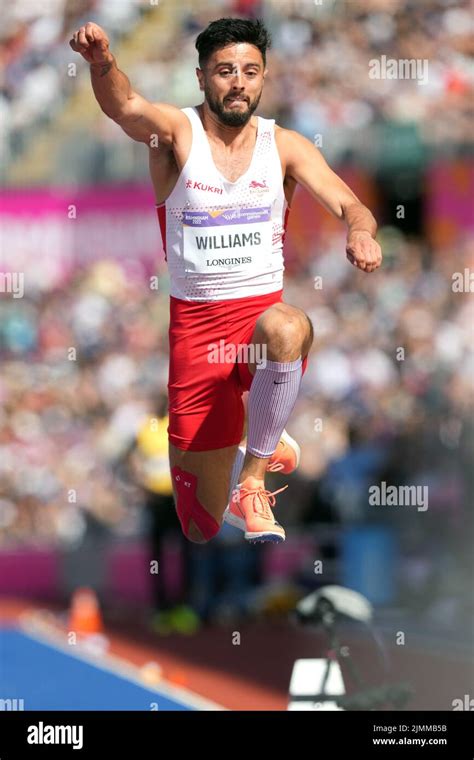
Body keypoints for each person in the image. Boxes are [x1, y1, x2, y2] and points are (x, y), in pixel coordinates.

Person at [70, 17, 382, 546]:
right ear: (201, 77)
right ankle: (253, 431)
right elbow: (124, 107)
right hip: (196, 340)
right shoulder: (173, 133)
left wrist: (359, 232)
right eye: (225, 71)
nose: (238, 81)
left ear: (262, 79)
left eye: (250, 71)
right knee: (199, 527)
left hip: (258, 326)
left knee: (291, 325)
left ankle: (253, 478)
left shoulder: (284, 145)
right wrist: (103, 64)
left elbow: (350, 202)